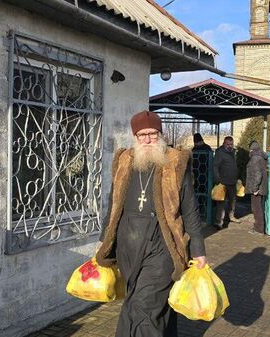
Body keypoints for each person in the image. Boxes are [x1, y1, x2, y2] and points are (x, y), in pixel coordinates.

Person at [95, 110, 207, 337]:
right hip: (129, 245)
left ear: (161, 134)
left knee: (145, 306)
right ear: (134, 137)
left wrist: (198, 250)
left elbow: (189, 208)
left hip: (162, 244)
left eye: (152, 134)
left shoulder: (175, 162)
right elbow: (113, 203)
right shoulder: (125, 161)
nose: (147, 140)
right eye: (141, 135)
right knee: (142, 300)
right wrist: (103, 241)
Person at [213, 136, 240, 229]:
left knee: (233, 200)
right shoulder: (220, 153)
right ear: (224, 143)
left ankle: (231, 216)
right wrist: (218, 179)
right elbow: (215, 166)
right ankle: (219, 222)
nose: (230, 146)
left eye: (231, 144)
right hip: (223, 182)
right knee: (221, 203)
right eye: (228, 144)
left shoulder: (233, 152)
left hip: (232, 181)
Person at [245, 141, 268, 234]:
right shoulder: (261, 157)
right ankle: (260, 227)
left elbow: (257, 175)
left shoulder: (255, 158)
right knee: (259, 207)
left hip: (257, 189)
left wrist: (255, 189)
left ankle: (259, 229)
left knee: (256, 208)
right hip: (261, 187)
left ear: (251, 149)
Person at [191, 133, 213, 217]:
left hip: (204, 175)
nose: (197, 144)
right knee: (200, 195)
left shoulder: (205, 149)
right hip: (199, 176)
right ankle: (202, 211)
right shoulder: (205, 148)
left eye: (197, 142)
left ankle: (204, 212)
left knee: (203, 195)